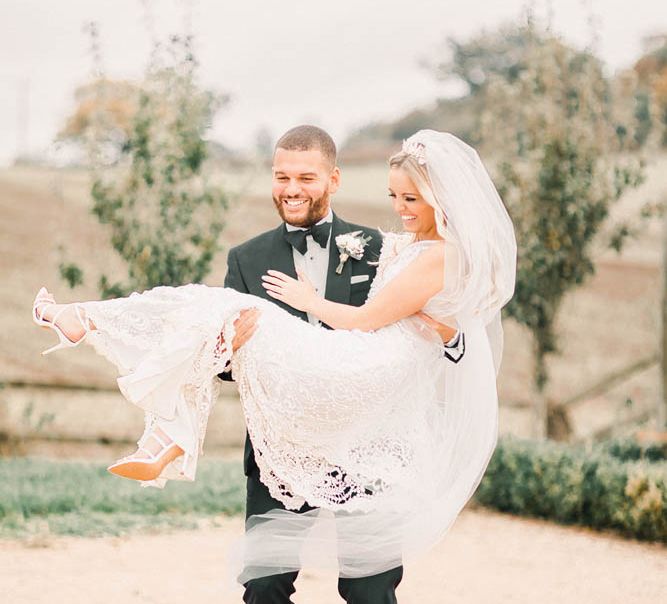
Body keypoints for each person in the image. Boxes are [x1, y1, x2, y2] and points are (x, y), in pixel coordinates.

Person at [31, 129, 516, 598]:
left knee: (369, 591)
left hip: (366, 436)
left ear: (334, 179)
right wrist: (227, 349)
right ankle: (155, 418)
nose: (291, 189)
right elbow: (225, 365)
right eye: (281, 176)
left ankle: (95, 336)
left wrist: (447, 335)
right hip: (285, 438)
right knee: (264, 588)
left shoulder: (381, 245)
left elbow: (445, 324)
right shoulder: (247, 257)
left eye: (306, 177)